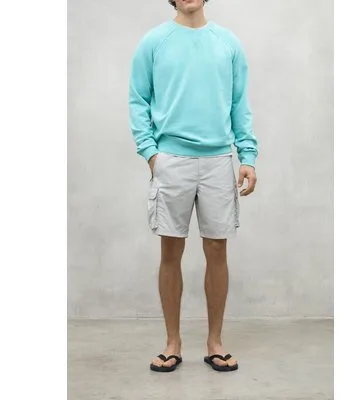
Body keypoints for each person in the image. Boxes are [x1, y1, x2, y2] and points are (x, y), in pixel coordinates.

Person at [128, 0, 258, 372]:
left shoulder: (228, 43)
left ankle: (215, 342)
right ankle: (172, 342)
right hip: (171, 159)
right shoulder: (154, 42)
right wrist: (152, 155)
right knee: (171, 249)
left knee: (217, 249)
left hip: (218, 160)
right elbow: (138, 100)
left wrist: (247, 156)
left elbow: (239, 103)